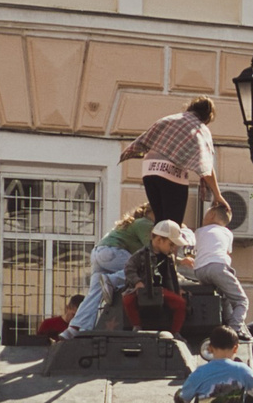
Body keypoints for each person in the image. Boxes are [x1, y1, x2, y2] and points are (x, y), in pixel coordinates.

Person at [120, 98, 228, 229]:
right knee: (172, 225)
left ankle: (155, 242)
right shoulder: (200, 129)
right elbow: (207, 167)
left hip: (149, 169)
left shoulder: (169, 119)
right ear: (208, 117)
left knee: (160, 221)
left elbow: (145, 140)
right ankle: (164, 242)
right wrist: (217, 195)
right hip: (171, 173)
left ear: (190, 108)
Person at [61, 207, 152, 337]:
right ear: (149, 213)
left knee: (94, 294)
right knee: (142, 271)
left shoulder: (129, 224)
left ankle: (75, 327)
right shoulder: (145, 222)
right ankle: (110, 280)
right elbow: (152, 250)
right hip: (114, 252)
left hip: (98, 253)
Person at [186, 198, 251, 331]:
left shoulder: (198, 232)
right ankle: (235, 329)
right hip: (217, 267)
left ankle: (224, 322)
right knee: (241, 301)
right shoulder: (227, 233)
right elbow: (227, 253)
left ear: (212, 215)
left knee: (223, 296)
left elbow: (192, 249)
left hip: (199, 271)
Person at [126, 224, 190, 334]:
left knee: (180, 303)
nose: (173, 248)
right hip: (143, 290)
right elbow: (129, 268)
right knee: (127, 300)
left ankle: (175, 332)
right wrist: (137, 282)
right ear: (159, 240)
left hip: (161, 291)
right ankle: (137, 326)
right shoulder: (140, 255)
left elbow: (172, 276)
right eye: (171, 244)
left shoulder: (169, 257)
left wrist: (177, 289)